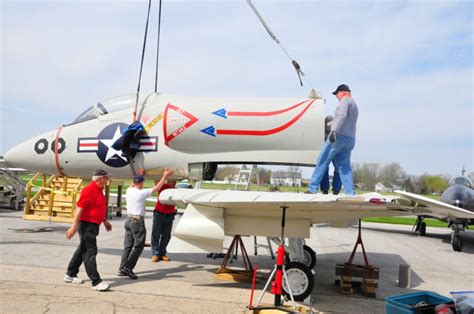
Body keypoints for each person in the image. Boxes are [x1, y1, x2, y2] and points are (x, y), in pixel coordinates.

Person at [118, 169, 174, 279]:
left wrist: (140, 174)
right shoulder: (141, 193)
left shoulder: (129, 190)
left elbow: (135, 183)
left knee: (127, 246)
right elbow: (158, 187)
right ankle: (128, 268)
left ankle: (122, 268)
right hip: (137, 222)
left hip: (128, 220)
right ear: (142, 183)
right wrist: (165, 176)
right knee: (139, 246)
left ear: (134, 183)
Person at [64, 169, 112, 291]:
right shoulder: (89, 190)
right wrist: (74, 227)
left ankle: (70, 274)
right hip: (86, 225)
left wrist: (104, 220)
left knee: (82, 250)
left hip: (93, 225)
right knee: (90, 252)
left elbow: (97, 207)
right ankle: (96, 282)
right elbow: (79, 209)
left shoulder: (99, 190)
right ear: (99, 178)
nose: (108, 179)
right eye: (106, 177)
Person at [308, 84, 358, 195]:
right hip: (350, 139)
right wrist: (329, 124)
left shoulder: (345, 100)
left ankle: (312, 188)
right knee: (344, 167)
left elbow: (342, 115)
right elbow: (341, 119)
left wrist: (333, 130)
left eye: (337, 94)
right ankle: (350, 193)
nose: (337, 97)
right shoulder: (354, 104)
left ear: (343, 92)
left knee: (322, 160)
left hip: (338, 137)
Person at [151, 176, 178, 262]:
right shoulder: (162, 186)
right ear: (168, 181)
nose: (173, 183)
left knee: (166, 235)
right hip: (159, 213)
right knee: (156, 234)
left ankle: (162, 253)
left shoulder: (176, 190)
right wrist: (164, 174)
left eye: (174, 182)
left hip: (170, 215)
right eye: (172, 182)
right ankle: (155, 254)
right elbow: (156, 179)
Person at [320, 116, 342, 195]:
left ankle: (336, 189)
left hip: (335, 151)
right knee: (324, 169)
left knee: (338, 169)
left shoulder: (337, 131)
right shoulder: (321, 133)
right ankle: (324, 189)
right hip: (326, 152)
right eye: (327, 125)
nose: (328, 127)